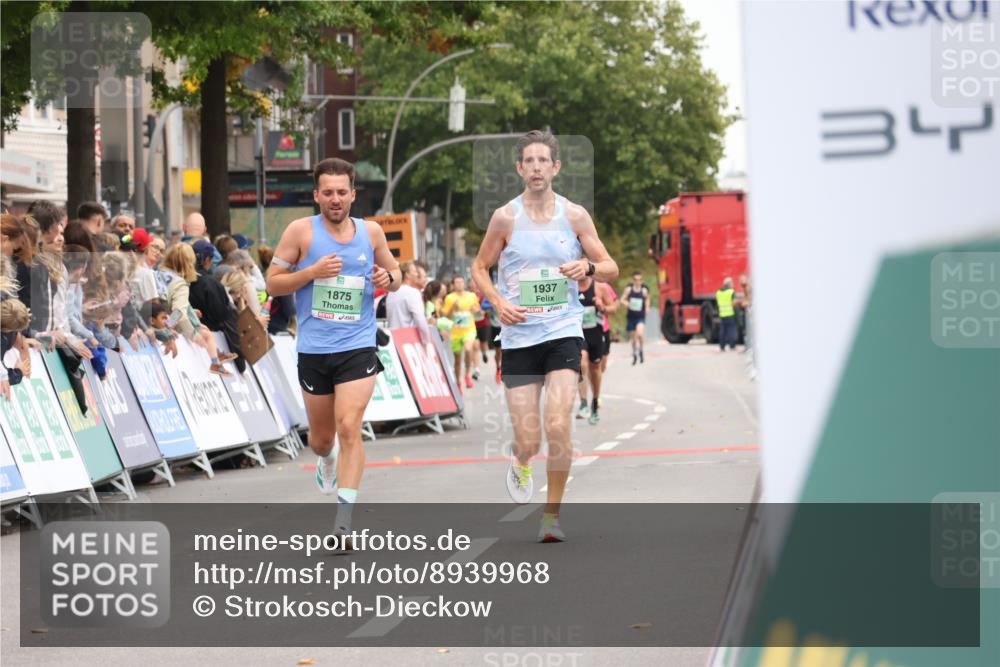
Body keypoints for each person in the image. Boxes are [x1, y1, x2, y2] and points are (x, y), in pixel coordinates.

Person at [470, 129, 618, 542]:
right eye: (528, 161)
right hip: (518, 337)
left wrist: (587, 268)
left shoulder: (574, 216)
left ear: (556, 167)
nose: (536, 168)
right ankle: (520, 461)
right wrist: (498, 303)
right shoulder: (505, 217)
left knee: (558, 424)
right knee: (529, 439)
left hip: (563, 330)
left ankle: (551, 515)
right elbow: (480, 268)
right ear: (520, 168)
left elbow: (610, 266)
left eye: (543, 161)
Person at [266, 157, 401, 538]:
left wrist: (386, 276)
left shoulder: (371, 233)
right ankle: (326, 461)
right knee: (323, 440)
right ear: (316, 196)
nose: (335, 199)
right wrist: (311, 273)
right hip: (314, 348)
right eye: (328, 192)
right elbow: (272, 284)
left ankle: (344, 518)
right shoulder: (300, 232)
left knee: (349, 426)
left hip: (358, 345)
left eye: (342, 192)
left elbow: (397, 276)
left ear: (353, 195)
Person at [159, 243, 236, 375]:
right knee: (205, 333)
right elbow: (178, 313)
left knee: (203, 329)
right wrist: (192, 335)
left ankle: (216, 356)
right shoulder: (180, 284)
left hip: (156, 321)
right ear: (190, 262)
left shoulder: (157, 275)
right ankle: (215, 361)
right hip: (170, 324)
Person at [189, 240, 246, 372]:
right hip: (213, 343)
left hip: (193, 341)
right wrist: (240, 361)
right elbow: (224, 319)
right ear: (208, 259)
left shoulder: (182, 280)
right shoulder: (212, 284)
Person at [575, 275, 615, 424]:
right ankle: (584, 403)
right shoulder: (571, 288)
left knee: (596, 369)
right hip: (579, 334)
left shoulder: (600, 288)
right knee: (582, 363)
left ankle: (595, 402)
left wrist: (602, 306)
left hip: (596, 334)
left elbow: (613, 308)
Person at [440, 275, 482, 389]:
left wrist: (477, 310)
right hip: (456, 332)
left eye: (461, 282)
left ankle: (467, 375)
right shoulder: (449, 298)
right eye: (457, 282)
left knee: (468, 349)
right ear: (453, 285)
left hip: (469, 330)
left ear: (464, 284)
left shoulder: (471, 296)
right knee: (457, 360)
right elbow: (446, 317)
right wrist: (453, 308)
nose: (459, 284)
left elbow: (480, 313)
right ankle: (458, 382)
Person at [257, 244, 296, 335]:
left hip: (261, 323)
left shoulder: (259, 278)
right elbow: (289, 309)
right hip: (278, 327)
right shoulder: (281, 279)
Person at [386, 261, 431, 335]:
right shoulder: (412, 292)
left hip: (393, 337)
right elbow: (420, 319)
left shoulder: (391, 293)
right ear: (407, 274)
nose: (417, 275)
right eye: (415, 272)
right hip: (407, 338)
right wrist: (427, 340)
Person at [621, 271, 650, 364]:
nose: (638, 282)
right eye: (636, 280)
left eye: (639, 280)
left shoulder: (644, 290)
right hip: (631, 317)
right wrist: (627, 304)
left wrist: (647, 307)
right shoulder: (629, 290)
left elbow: (647, 299)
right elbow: (622, 299)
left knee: (640, 334)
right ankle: (634, 354)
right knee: (633, 340)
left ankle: (641, 350)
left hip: (640, 316)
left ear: (641, 281)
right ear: (633, 280)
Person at [716, 276, 737, 351]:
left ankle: (722, 346)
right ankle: (732, 346)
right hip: (730, 314)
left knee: (723, 331)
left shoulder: (718, 292)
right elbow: (734, 303)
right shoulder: (731, 292)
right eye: (732, 283)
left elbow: (717, 304)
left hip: (722, 315)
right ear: (729, 284)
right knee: (731, 331)